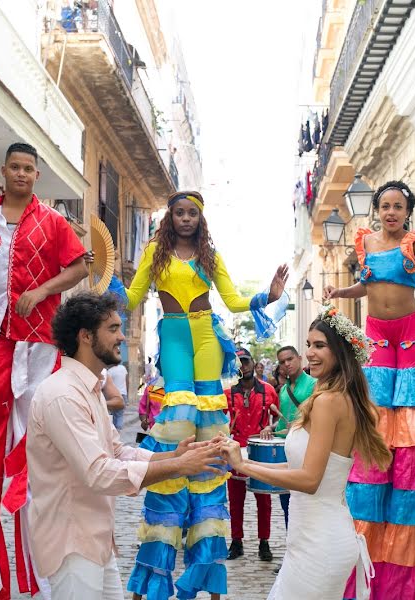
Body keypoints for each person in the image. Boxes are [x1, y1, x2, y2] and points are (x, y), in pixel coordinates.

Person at [120, 190, 288, 600]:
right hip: (174, 332)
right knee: (178, 413)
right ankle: (167, 473)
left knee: (211, 419)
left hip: (207, 334)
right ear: (170, 218)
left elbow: (231, 301)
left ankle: (207, 559)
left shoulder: (210, 256)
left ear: (200, 218)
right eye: (178, 213)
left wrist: (268, 294)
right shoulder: (156, 252)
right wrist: (102, 277)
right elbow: (130, 298)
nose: (185, 219)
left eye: (191, 213)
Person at [0, 142, 89, 599]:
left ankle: (43, 577)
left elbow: (79, 266)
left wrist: (42, 290)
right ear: (3, 171)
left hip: (40, 343)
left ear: (36, 175)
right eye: (16, 167)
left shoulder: (52, 221)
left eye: (30, 168)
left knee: (38, 449)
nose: (22, 174)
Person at [27, 292, 224, 600]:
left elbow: (117, 451)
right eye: (113, 328)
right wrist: (177, 467)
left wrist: (173, 454)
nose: (121, 336)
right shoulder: (63, 394)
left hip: (95, 539)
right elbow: (99, 473)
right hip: (72, 543)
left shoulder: (87, 389)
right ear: (85, 336)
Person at [324, 180, 415, 599]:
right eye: (385, 206)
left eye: (399, 206)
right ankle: (377, 485)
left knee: (411, 415)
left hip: (410, 332)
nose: (391, 212)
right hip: (377, 332)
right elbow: (367, 286)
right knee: (377, 414)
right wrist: (341, 291)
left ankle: (409, 485)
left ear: (408, 212)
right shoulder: (365, 242)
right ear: (376, 211)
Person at [221, 307, 393, 600]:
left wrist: (244, 467)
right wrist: (243, 460)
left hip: (320, 544)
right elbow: (299, 465)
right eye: (309, 345)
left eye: (320, 345)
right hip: (309, 541)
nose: (311, 353)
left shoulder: (329, 402)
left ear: (340, 352)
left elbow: (310, 479)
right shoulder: (335, 397)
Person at [224, 347, 282, 562]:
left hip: (259, 451)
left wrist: (271, 428)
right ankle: (236, 541)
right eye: (239, 363)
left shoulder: (268, 390)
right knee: (236, 499)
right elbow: (221, 423)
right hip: (236, 451)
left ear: (253, 362)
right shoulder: (227, 394)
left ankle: (264, 542)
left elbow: (278, 417)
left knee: (263, 499)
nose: (244, 366)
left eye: (246, 361)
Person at [274, 346, 316, 530]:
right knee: (287, 505)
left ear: (300, 358)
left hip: (307, 451)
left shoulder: (315, 384)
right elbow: (283, 422)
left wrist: (300, 425)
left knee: (305, 504)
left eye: (290, 359)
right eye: (282, 362)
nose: (287, 364)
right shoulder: (283, 390)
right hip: (287, 451)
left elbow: (320, 418)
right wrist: (271, 427)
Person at [105, 362, 128, 430]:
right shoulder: (123, 368)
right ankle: (118, 430)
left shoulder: (109, 371)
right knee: (120, 415)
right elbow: (127, 381)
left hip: (113, 395)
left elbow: (108, 385)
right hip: (123, 394)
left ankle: (115, 430)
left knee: (114, 414)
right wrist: (126, 391)